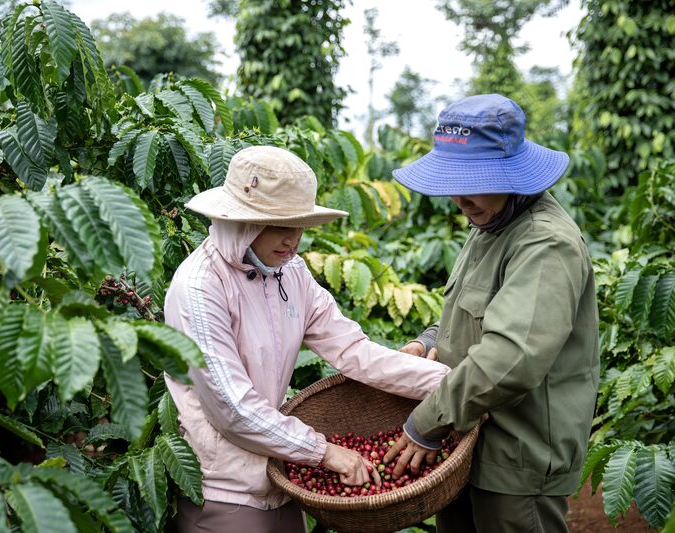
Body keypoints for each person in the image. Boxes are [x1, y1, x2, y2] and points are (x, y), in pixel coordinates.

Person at [164, 145, 451, 532]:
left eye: (300, 226)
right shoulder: (201, 288)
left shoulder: (290, 272)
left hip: (281, 476)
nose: (293, 241)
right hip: (226, 490)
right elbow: (233, 409)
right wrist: (324, 452)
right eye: (281, 227)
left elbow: (353, 350)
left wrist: (451, 386)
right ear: (245, 221)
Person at [383, 94, 599, 533]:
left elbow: (511, 355)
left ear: (512, 176)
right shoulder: (489, 223)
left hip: (517, 458)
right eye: (453, 183)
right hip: (467, 443)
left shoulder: (545, 243)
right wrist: (428, 342)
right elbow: (473, 314)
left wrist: (426, 422)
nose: (459, 199)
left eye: (473, 182)